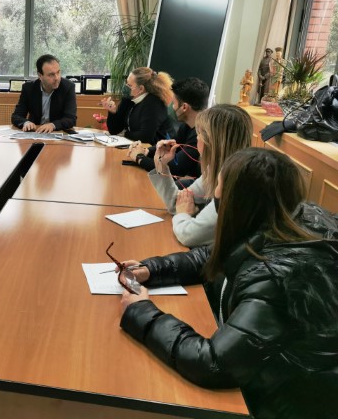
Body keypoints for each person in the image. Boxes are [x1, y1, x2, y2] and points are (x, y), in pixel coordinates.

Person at [118, 148, 338, 419]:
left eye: (220, 189)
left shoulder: (278, 277)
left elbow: (213, 364)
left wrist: (141, 312)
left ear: (238, 202)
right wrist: (151, 269)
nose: (214, 196)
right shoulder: (284, 217)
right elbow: (212, 256)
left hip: (284, 402)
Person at [149, 104, 252, 247]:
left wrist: (183, 213)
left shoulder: (235, 181)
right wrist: (162, 165)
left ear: (213, 141)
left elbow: (189, 235)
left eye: (200, 133)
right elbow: (177, 203)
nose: (197, 137)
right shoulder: (216, 169)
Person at [126, 77, 208, 186]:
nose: (172, 107)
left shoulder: (201, 134)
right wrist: (146, 151)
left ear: (184, 107)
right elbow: (172, 145)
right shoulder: (187, 126)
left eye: (174, 103)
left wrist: (139, 157)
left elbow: (174, 169)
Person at [100, 67, 175, 144]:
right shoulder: (128, 99)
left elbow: (145, 137)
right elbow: (114, 130)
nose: (125, 87)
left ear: (141, 89)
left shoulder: (154, 103)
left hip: (155, 148)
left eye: (129, 85)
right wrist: (112, 112)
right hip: (134, 145)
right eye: (126, 83)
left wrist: (124, 133)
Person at [11, 54, 77, 133]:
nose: (57, 78)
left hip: (57, 132)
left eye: (58, 72)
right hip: (35, 132)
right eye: (51, 75)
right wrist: (26, 123)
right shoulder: (28, 88)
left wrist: (52, 125)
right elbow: (16, 116)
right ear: (40, 75)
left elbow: (70, 119)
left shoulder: (68, 87)